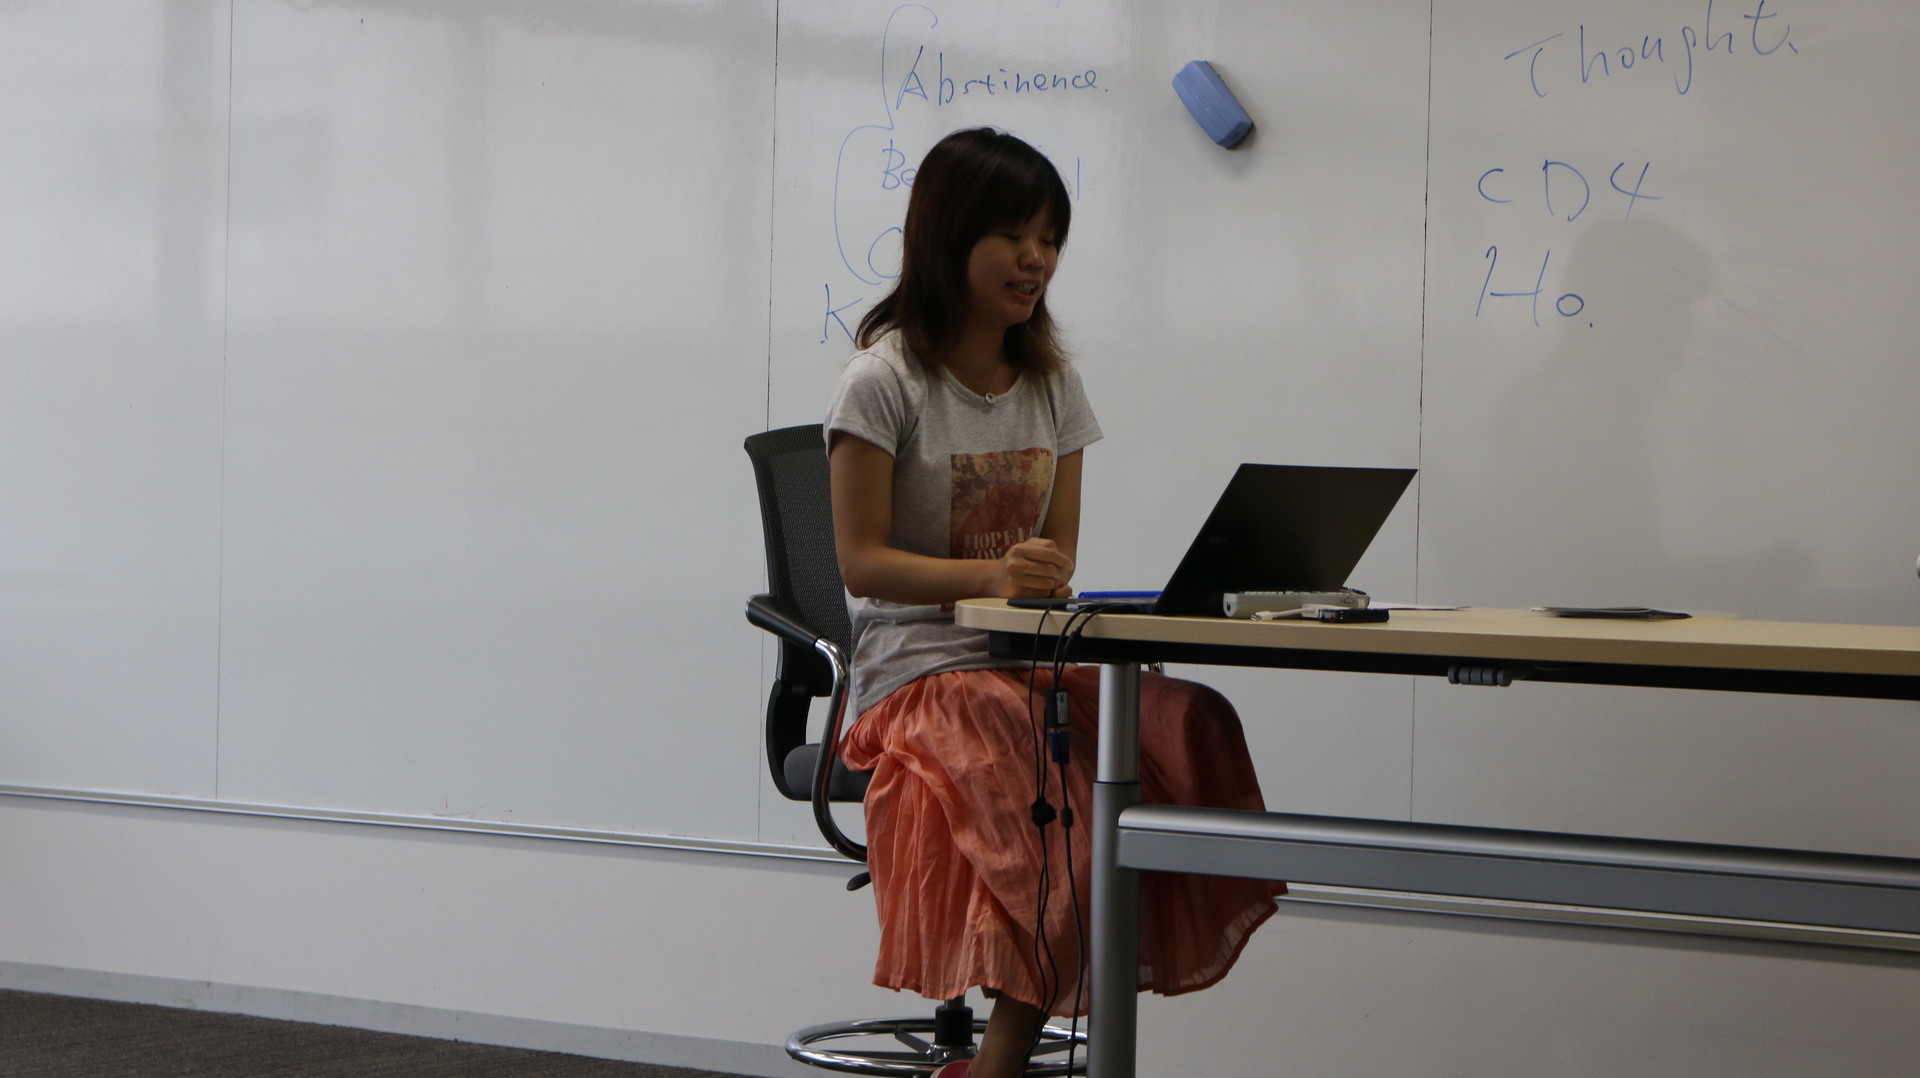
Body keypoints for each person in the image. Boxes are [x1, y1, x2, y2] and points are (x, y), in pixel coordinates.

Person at [824, 127, 1280, 1078]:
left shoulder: (1053, 384)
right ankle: (995, 1068)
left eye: (1050, 239)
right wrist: (992, 578)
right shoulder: (883, 382)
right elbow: (862, 564)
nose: (1036, 259)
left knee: (1185, 718)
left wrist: (1028, 578)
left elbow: (1055, 556)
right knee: (1053, 792)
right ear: (949, 235)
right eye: (1013, 235)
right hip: (917, 672)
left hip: (1022, 657)